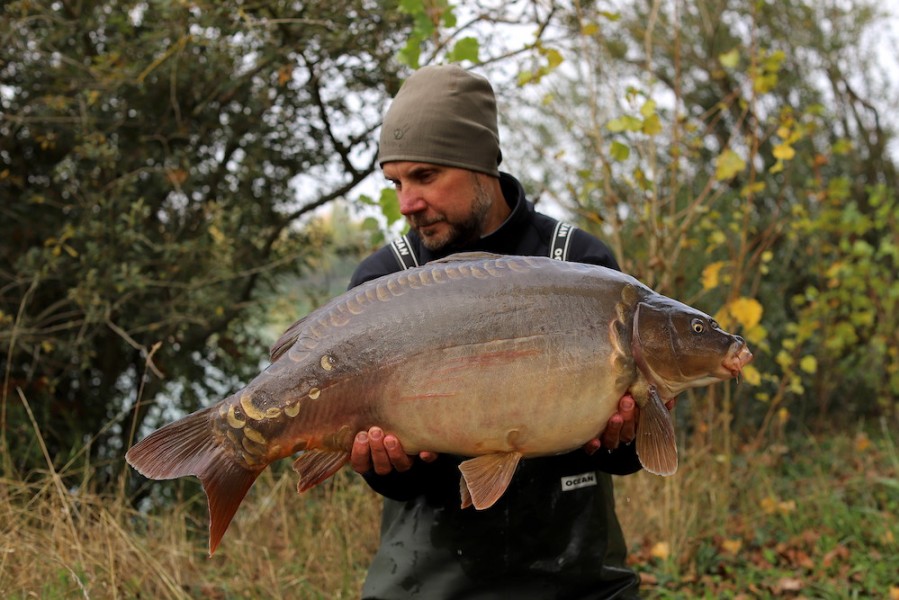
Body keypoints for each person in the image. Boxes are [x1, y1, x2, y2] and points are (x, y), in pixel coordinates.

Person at [348, 65, 643, 599]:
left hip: (572, 575)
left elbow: (625, 456)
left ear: (481, 165)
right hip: (430, 579)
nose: (406, 203)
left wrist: (622, 436)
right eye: (396, 182)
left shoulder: (580, 263)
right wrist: (385, 467)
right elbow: (394, 483)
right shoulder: (384, 281)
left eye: (425, 176)